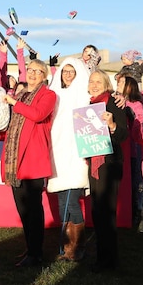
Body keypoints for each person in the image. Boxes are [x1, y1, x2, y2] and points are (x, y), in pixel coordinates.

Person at [1, 59, 56, 267]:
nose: (32, 74)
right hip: (15, 160)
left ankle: (36, 253)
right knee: (22, 208)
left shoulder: (48, 95)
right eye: (30, 70)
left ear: (44, 75)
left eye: (37, 71)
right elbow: (13, 124)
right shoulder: (21, 95)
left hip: (33, 159)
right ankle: (30, 248)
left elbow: (38, 115)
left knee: (33, 209)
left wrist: (15, 103)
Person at [46, 57, 91, 262]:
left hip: (75, 153)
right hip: (58, 153)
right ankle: (66, 248)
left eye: (72, 71)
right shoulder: (54, 94)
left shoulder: (83, 95)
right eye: (65, 71)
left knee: (72, 202)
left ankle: (77, 246)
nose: (68, 74)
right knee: (62, 200)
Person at [86, 69, 128, 272]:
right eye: (91, 81)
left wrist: (111, 124)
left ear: (106, 84)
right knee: (97, 211)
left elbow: (123, 134)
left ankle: (110, 261)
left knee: (106, 212)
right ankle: (101, 256)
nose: (94, 85)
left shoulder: (113, 102)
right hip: (94, 163)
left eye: (98, 81)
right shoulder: (89, 105)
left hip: (109, 164)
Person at [119, 75, 143, 225]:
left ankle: (138, 208)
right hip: (120, 147)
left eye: (123, 82)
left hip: (134, 148)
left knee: (136, 179)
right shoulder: (115, 99)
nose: (119, 84)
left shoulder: (136, 104)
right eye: (118, 82)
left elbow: (139, 123)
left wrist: (127, 111)